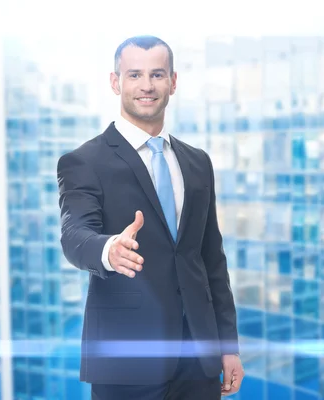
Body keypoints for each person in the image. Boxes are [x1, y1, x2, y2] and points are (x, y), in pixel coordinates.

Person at [57, 35, 244, 400]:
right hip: (126, 359)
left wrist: (228, 345)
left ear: (173, 82)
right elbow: (74, 234)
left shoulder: (197, 162)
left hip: (198, 360)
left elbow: (210, 259)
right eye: (134, 75)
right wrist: (108, 249)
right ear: (116, 82)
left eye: (157, 75)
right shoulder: (85, 161)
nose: (146, 86)